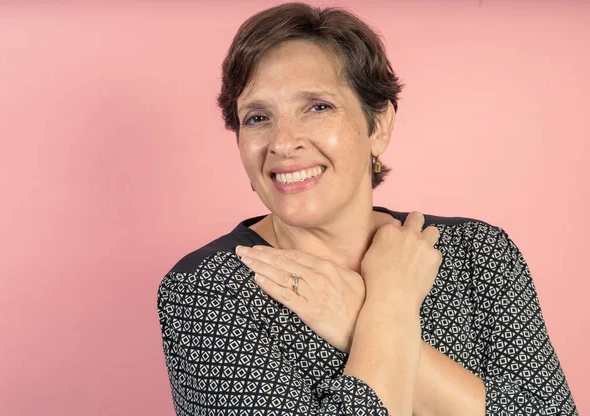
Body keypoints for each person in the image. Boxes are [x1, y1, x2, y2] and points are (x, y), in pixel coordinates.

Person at [156, 3, 578, 415]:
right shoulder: (206, 292)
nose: (283, 142)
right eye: (257, 118)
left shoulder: (478, 254)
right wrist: (389, 300)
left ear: (378, 126)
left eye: (318, 107)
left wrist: (355, 317)